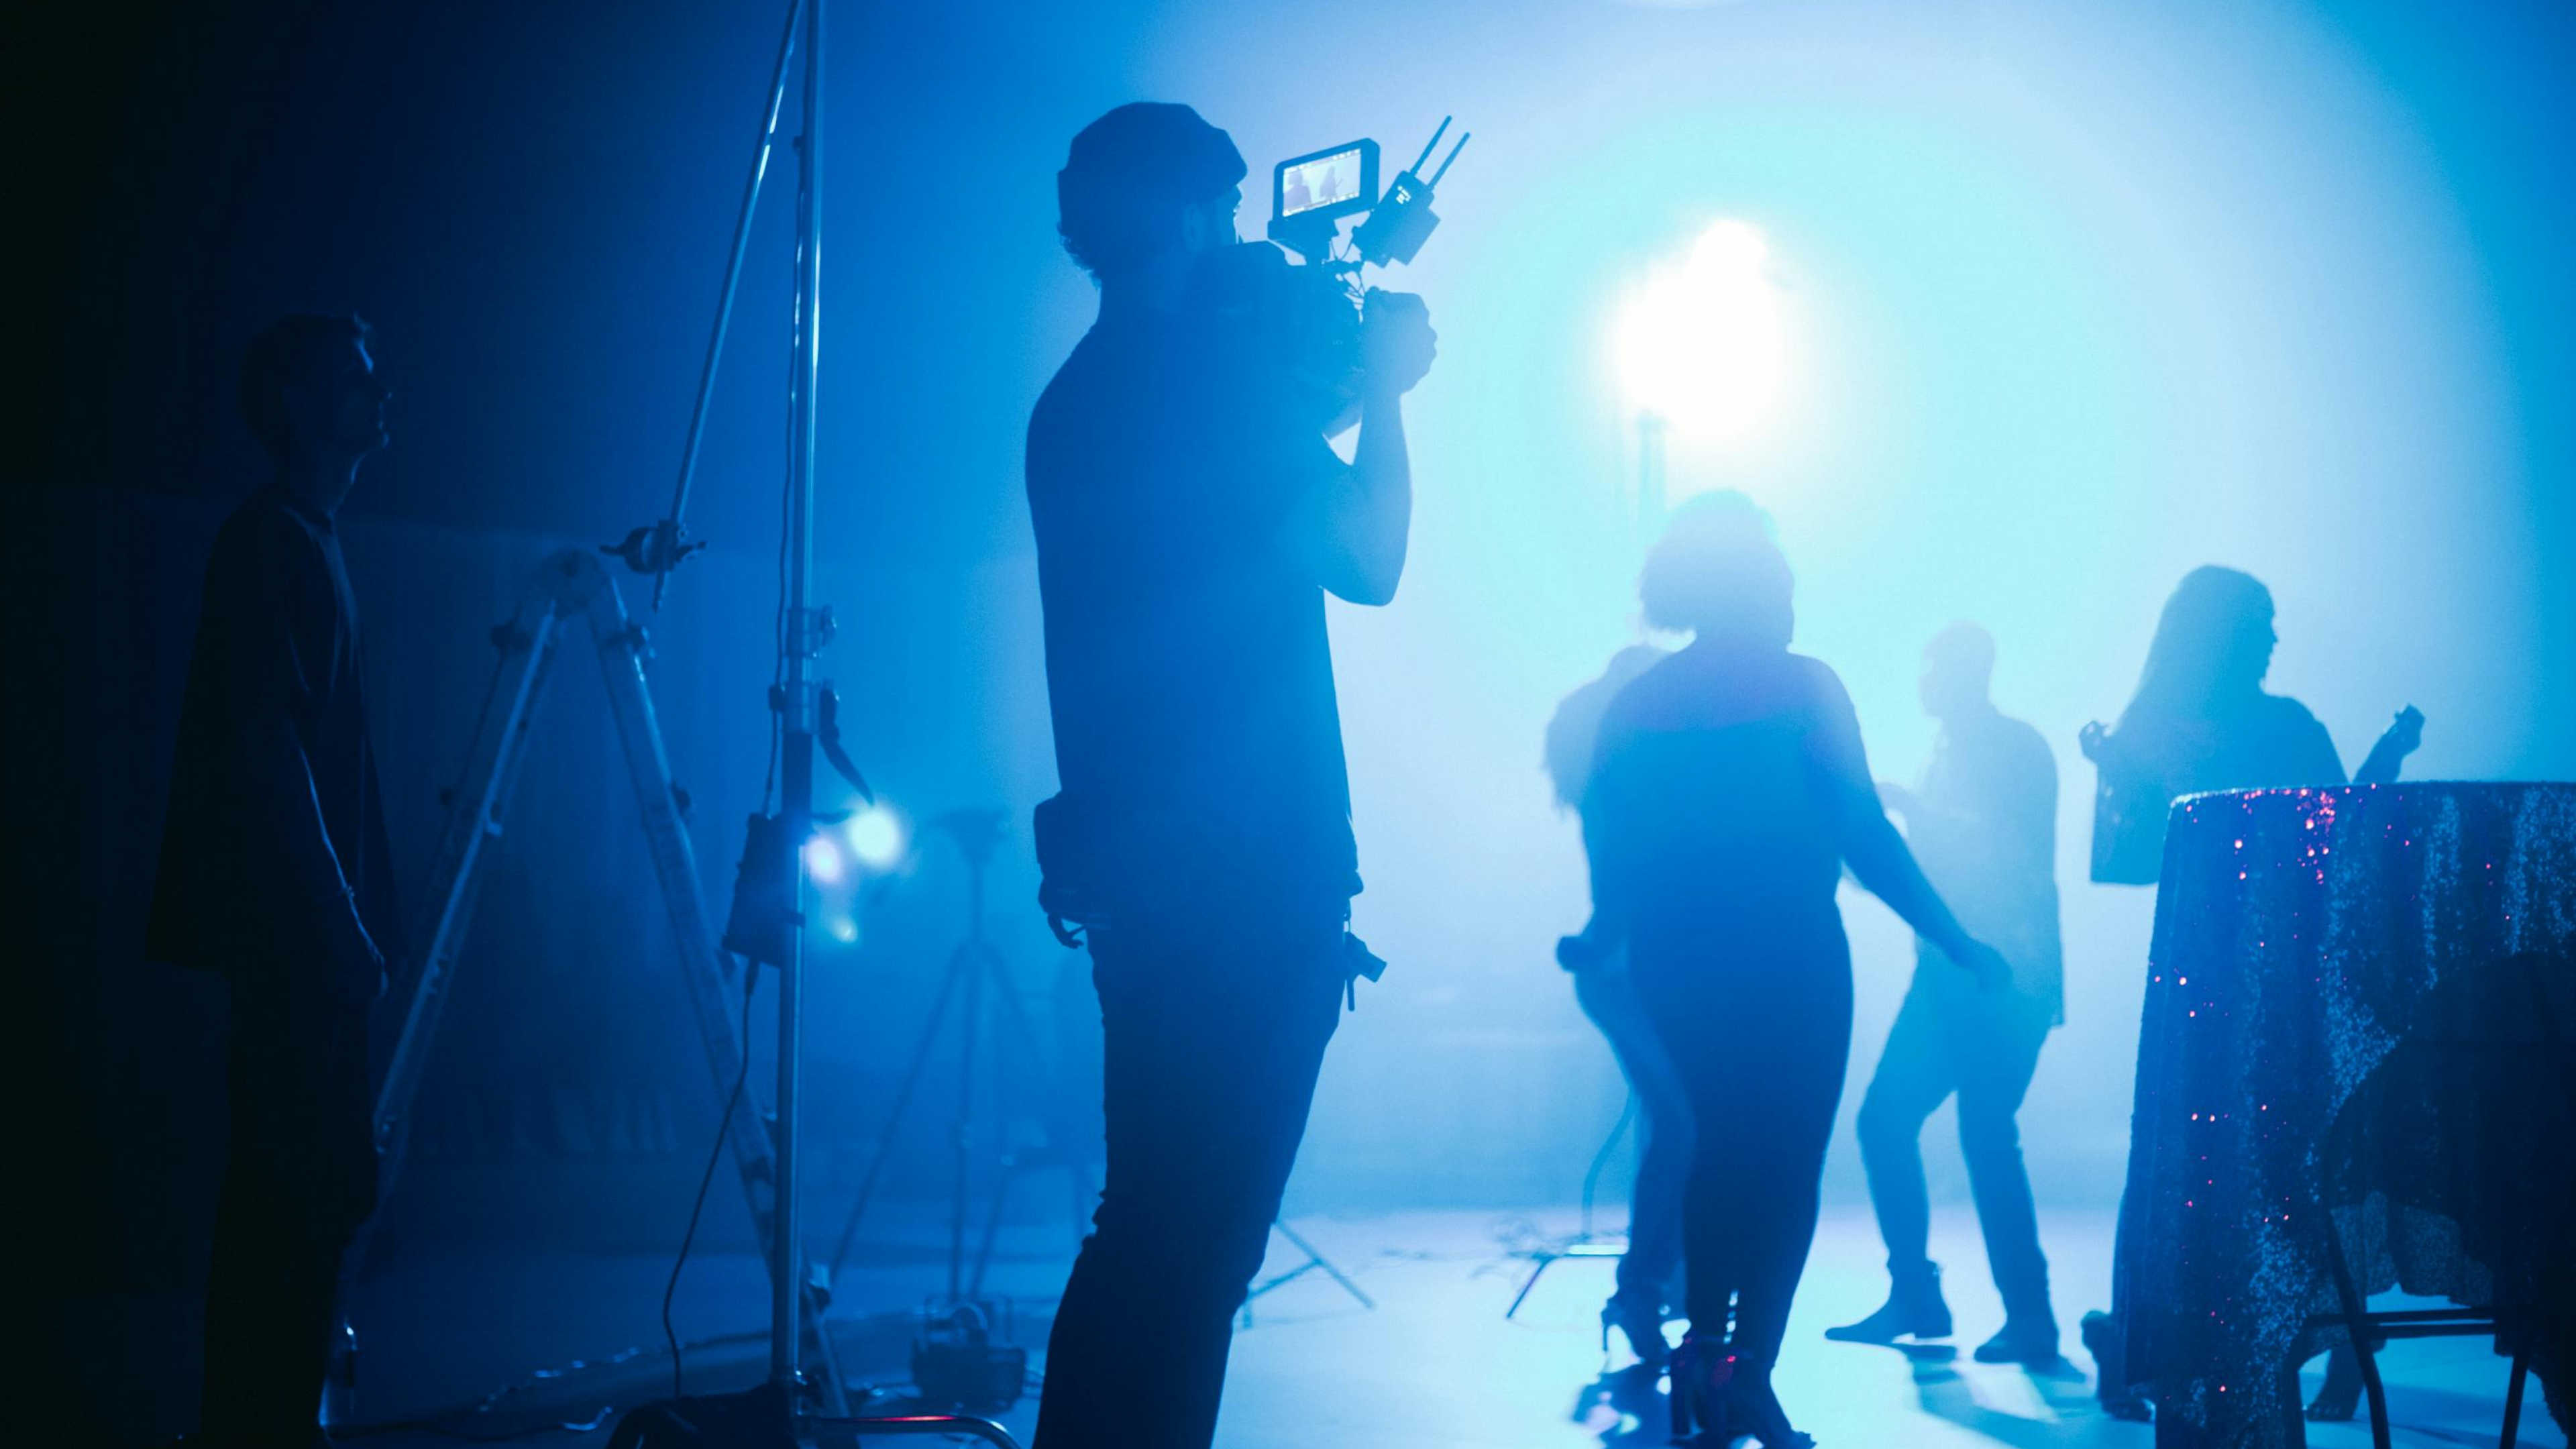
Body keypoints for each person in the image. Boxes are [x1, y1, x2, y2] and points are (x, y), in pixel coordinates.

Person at [1023, 103, 1435, 1449]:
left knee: (1146, 1231)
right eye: (1233, 207)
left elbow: (1230, 499)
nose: (1246, 234)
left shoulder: (1081, 399)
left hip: (1141, 872)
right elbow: (1367, 556)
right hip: (1250, 878)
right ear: (1192, 212)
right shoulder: (1210, 393)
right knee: (1199, 1257)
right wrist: (1386, 391)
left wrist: (1330, 381)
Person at [1578, 494, 2010, 1448]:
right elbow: (1864, 832)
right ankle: (1749, 1374)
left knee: (1716, 1146)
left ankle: (1705, 1357)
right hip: (1790, 955)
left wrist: (1608, 931)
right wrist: (1953, 936)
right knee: (1786, 1164)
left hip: (1680, 958)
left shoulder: (1640, 703)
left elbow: (1613, 839)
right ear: (1766, 586)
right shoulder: (1805, 687)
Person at [2075, 564, 2422, 1421]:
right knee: (2236, 1154)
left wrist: (2127, 766)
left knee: (2253, 1155)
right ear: (2218, 635)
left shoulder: (2235, 726)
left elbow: (2336, 827)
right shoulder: (2230, 728)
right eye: (2257, 623)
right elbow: (2135, 858)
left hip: (2250, 971)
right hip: (2225, 969)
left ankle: (2166, 1342)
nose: (2272, 638)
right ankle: (2175, 1340)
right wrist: (2122, 774)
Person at [149, 313, 401, 1447]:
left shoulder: (308, 540)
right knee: (291, 1200)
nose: (379, 394)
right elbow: (269, 749)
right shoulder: (270, 543)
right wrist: (341, 926)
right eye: (355, 378)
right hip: (295, 945)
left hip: (308, 945)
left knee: (312, 1195)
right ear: (296, 401)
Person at [1826, 623, 2064, 1364]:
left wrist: (1906, 814)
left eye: (1932, 668)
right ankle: (1928, 1297)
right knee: (1893, 1122)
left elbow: (2005, 850)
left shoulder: (2016, 749)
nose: (1923, 682)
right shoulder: (1946, 755)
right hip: (1951, 976)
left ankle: (2023, 1315)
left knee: (1979, 1131)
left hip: (2005, 974)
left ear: (1964, 672)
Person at [1544, 643, 1690, 1372]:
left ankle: (1658, 1286)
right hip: (1628, 973)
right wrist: (1602, 940)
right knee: (1686, 1125)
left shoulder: (1610, 785)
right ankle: (1645, 1288)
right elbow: (1622, 889)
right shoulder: (1625, 788)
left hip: (1624, 971)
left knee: (1674, 1127)